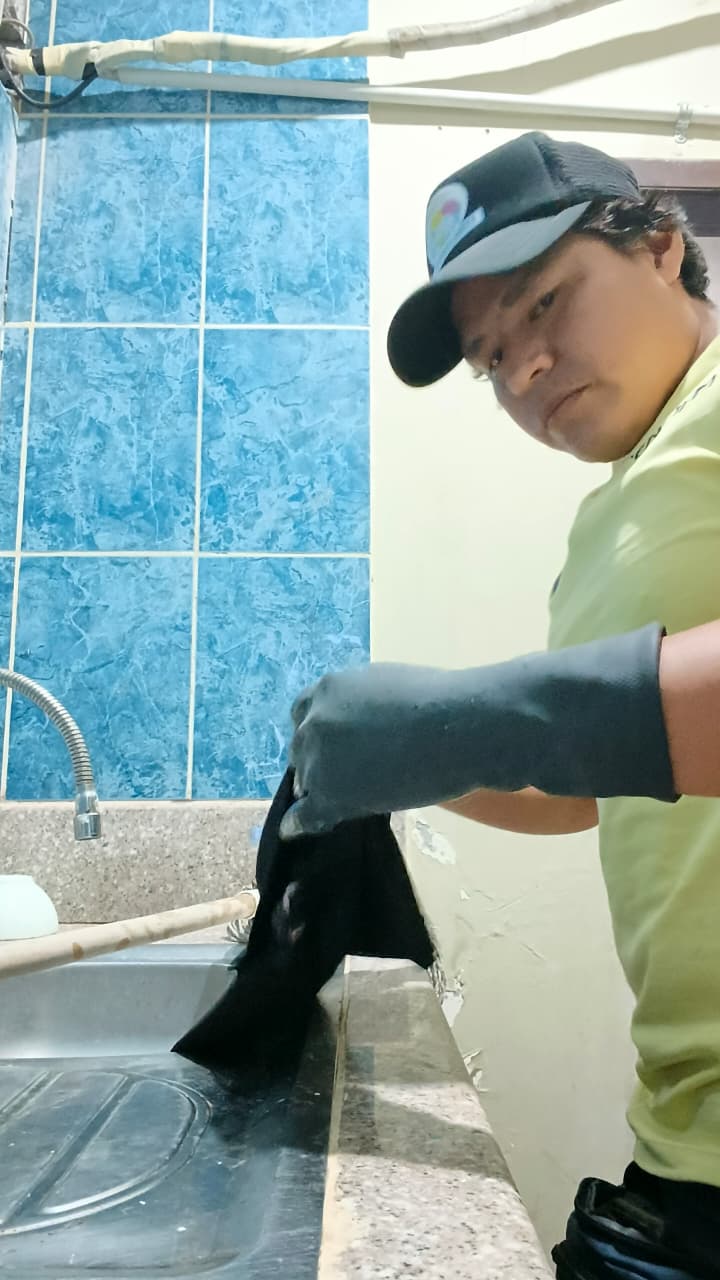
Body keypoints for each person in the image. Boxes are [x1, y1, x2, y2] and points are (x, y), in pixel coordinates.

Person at [281, 132, 720, 1275]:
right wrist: (416, 757)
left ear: (660, 247)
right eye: (490, 357)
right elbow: (604, 775)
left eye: (545, 302)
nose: (524, 368)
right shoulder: (608, 521)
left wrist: (476, 714)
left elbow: (581, 721)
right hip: (687, 1145)